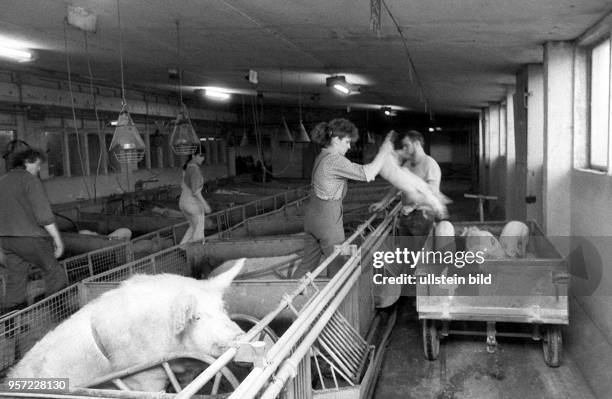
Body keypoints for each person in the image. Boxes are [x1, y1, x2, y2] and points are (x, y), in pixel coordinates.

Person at [292, 118, 394, 279]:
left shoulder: (322, 156)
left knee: (307, 264)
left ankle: (290, 296)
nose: (349, 146)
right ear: (335, 139)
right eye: (347, 141)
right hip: (328, 222)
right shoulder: (334, 160)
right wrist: (385, 151)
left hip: (312, 219)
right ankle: (334, 302)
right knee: (338, 265)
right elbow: (368, 173)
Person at [0, 149, 68, 313]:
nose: (39, 170)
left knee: (15, 278)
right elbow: (44, 215)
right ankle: (59, 313)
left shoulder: (2, 180)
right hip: (32, 238)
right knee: (54, 272)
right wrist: (58, 241)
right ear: (27, 162)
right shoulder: (30, 181)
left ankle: (11, 324)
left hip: (7, 240)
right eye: (38, 165)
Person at [370, 130, 442, 236]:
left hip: (423, 215)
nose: (404, 149)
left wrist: (413, 206)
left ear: (417, 144)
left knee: (417, 250)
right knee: (406, 249)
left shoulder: (430, 164)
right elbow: (397, 185)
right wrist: (383, 202)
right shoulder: (408, 164)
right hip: (407, 214)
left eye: (407, 145)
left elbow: (433, 191)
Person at [179, 149, 212, 244]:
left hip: (183, 201)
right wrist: (205, 205)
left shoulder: (187, 167)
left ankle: (182, 248)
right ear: (193, 155)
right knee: (199, 229)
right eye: (200, 155)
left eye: (204, 156)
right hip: (192, 203)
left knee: (193, 227)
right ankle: (198, 252)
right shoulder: (194, 170)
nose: (203, 158)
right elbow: (196, 192)